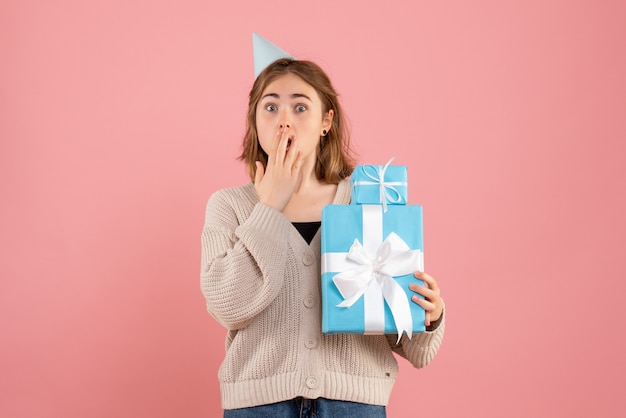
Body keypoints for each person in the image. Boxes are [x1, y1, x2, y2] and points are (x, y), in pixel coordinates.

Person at [200, 48, 445, 417]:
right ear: (254, 121)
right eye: (270, 107)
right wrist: (269, 206)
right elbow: (228, 306)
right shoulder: (230, 206)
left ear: (326, 121)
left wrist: (431, 315)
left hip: (353, 405)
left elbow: (414, 347)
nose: (285, 120)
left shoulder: (368, 199)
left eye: (300, 107)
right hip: (258, 407)